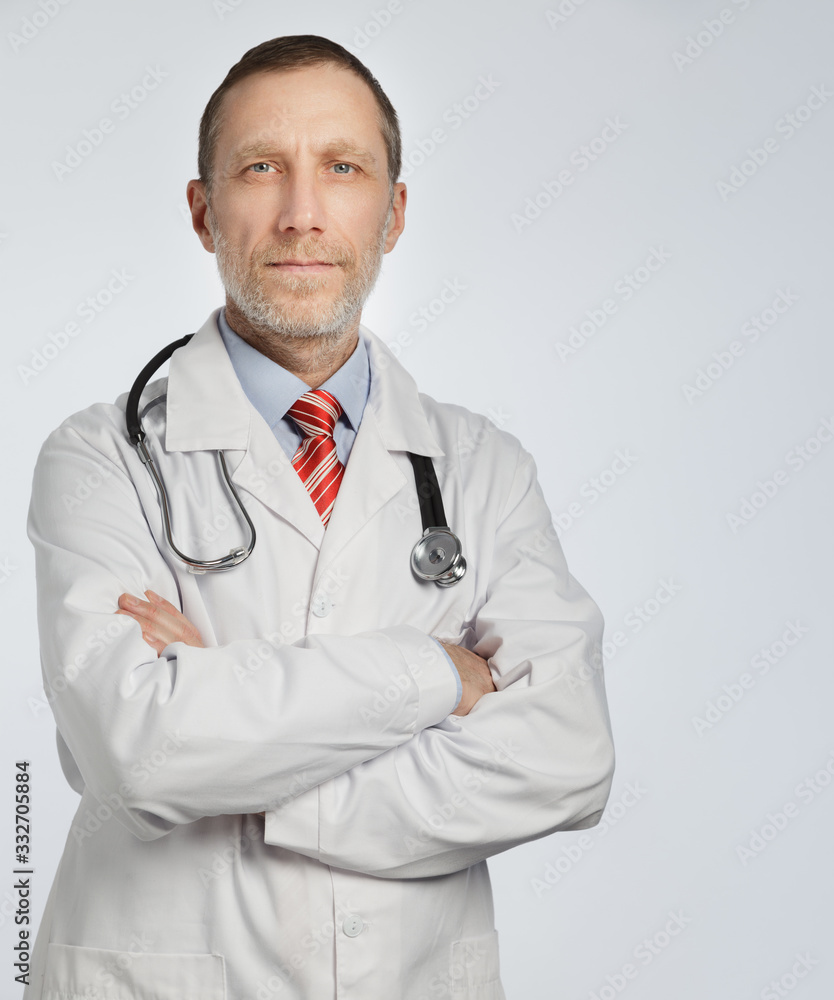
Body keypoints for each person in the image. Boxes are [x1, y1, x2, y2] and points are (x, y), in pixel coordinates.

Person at [24, 34, 615, 1000]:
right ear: (203, 211)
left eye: (343, 168)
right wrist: (439, 673)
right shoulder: (103, 459)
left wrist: (225, 730)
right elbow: (133, 749)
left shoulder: (483, 469)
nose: (303, 214)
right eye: (262, 169)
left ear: (394, 211)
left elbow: (568, 756)